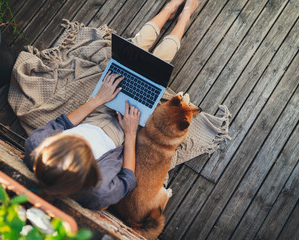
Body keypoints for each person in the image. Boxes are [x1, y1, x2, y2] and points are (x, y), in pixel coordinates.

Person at [24, 0, 199, 210]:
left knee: (130, 55)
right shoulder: (100, 194)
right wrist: (131, 132)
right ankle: (184, 17)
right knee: (155, 69)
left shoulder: (37, 147)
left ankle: (168, 10)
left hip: (94, 113)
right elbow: (128, 177)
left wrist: (98, 99)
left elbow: (64, 122)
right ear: (88, 174)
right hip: (121, 134)